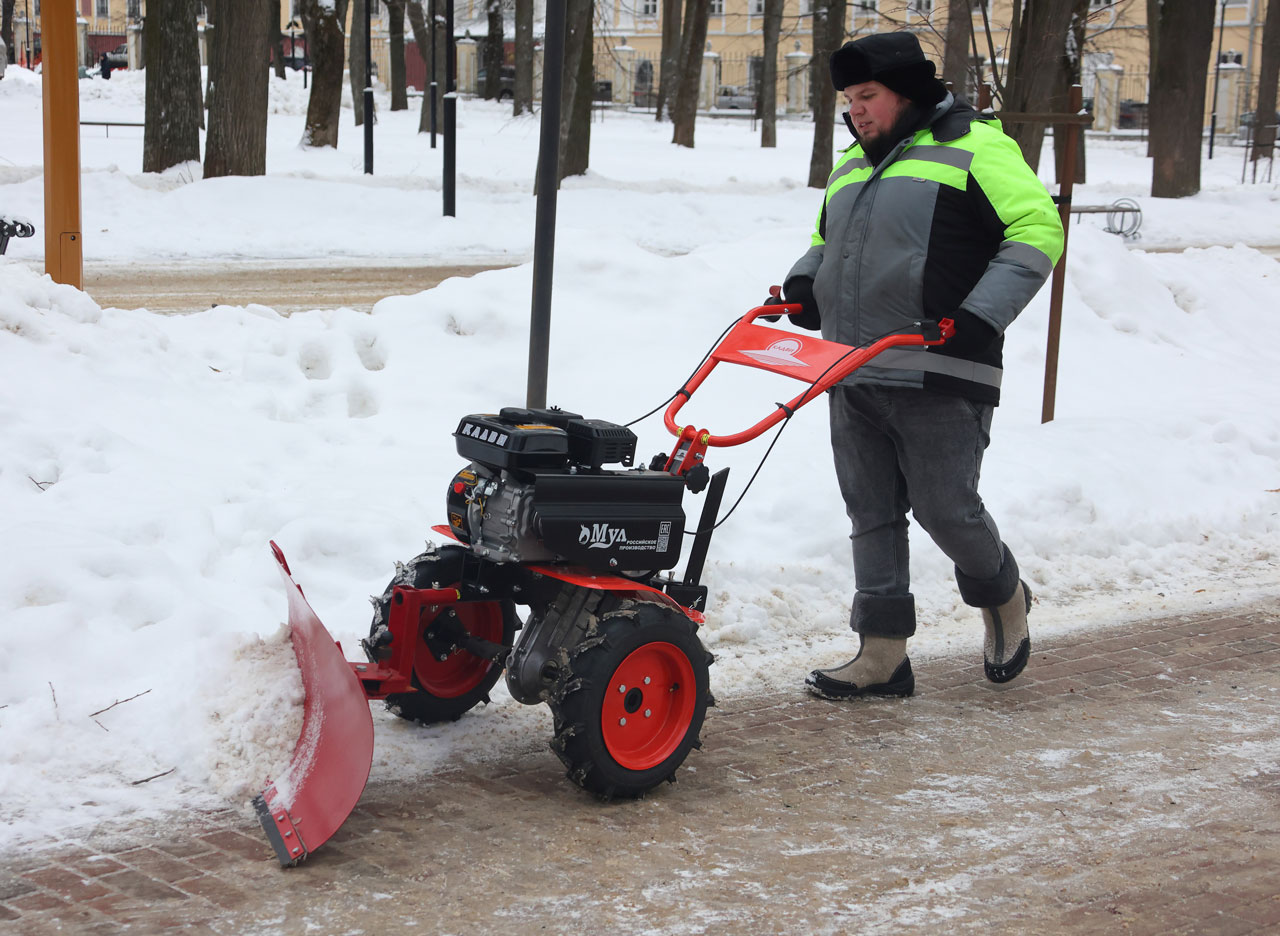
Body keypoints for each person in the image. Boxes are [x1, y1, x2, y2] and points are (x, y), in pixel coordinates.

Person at [769, 32, 1063, 700]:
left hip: (941, 364)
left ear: (909, 91)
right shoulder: (853, 163)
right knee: (869, 512)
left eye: (867, 96)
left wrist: (982, 316)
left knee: (945, 508)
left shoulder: (976, 146)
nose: (857, 111)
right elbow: (825, 241)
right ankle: (882, 654)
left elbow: (1037, 228)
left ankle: (1003, 594)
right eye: (849, 99)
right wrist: (802, 284)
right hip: (852, 365)